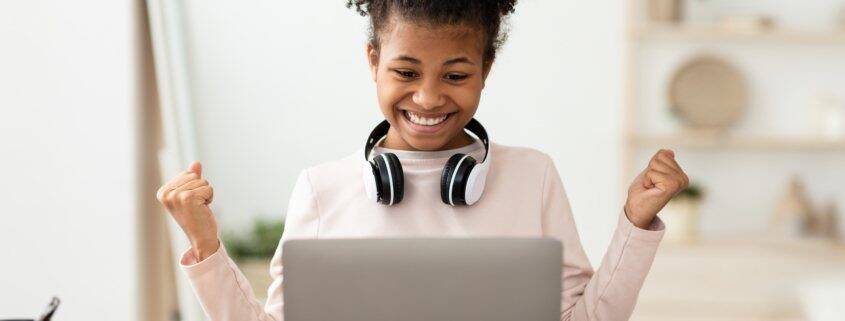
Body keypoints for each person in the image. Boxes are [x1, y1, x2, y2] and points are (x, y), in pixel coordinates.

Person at [155, 1, 689, 320]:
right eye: (406, 73)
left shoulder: (532, 176)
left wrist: (636, 223)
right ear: (373, 62)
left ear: (486, 68)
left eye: (455, 76)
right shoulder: (322, 188)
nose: (429, 99)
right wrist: (205, 246)